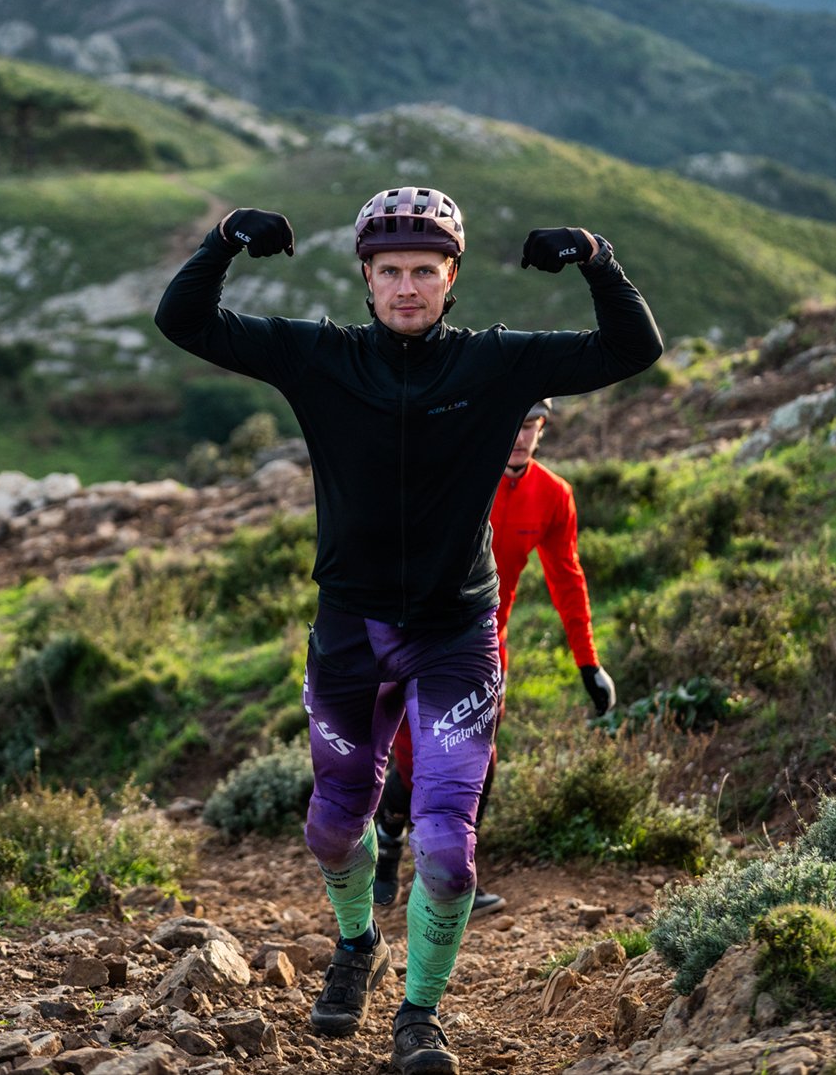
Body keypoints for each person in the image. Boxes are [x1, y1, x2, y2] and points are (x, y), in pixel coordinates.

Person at [155, 188, 660, 1074]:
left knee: (448, 849)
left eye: (425, 270)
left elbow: (633, 347)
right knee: (332, 826)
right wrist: (225, 240)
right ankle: (358, 945)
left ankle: (419, 1015)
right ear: (367, 279)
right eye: (390, 271)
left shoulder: (494, 364)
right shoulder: (320, 357)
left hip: (456, 636)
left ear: (451, 277)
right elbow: (185, 321)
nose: (407, 287)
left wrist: (594, 254)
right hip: (350, 631)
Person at [373, 399, 617, 914]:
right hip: (413, 637)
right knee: (415, 761)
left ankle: (449, 876)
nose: (523, 436)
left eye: (533, 426)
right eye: (513, 423)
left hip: (485, 645)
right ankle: (389, 840)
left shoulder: (553, 496)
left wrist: (587, 662)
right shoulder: (456, 476)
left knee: (478, 763)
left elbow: (567, 579)